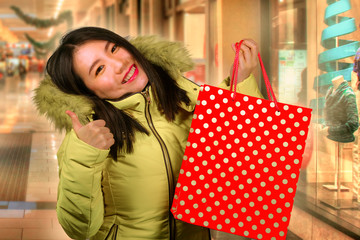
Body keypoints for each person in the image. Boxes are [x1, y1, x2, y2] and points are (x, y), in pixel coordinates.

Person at [34, 27, 263, 240]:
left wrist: (239, 83)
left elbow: (242, 161)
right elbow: (79, 229)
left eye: (114, 48)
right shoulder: (90, 137)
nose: (119, 64)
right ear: (86, 91)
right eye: (99, 69)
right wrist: (85, 154)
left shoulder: (182, 98)